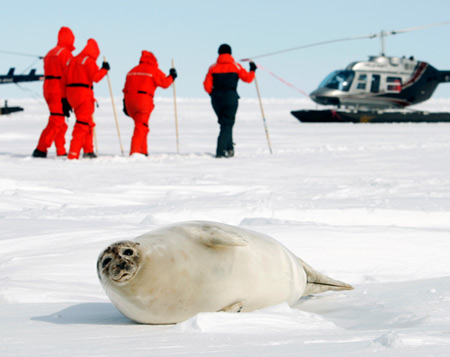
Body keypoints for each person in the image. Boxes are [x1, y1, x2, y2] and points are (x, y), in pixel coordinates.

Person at [203, 44, 256, 158]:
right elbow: (248, 79)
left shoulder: (212, 67)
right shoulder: (236, 66)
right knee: (227, 123)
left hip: (216, 99)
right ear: (230, 53)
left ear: (219, 53)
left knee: (225, 123)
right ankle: (221, 151)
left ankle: (229, 149)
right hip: (230, 97)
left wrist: (213, 94)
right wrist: (252, 70)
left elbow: (206, 86)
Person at [122, 50, 177, 156]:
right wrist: (172, 76)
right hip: (143, 101)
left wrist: (124, 104)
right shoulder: (153, 70)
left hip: (129, 102)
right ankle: (135, 153)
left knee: (141, 125)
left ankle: (143, 151)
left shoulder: (132, 71)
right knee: (141, 126)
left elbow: (125, 89)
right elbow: (165, 83)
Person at [32, 27, 75, 158]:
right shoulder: (65, 53)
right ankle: (41, 148)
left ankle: (61, 150)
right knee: (56, 120)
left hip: (48, 88)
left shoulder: (50, 53)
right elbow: (69, 74)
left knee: (60, 120)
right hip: (58, 89)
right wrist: (68, 97)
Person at [65, 38, 109, 160]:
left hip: (71, 94)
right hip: (83, 94)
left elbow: (64, 79)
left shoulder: (71, 60)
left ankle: (88, 150)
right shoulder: (88, 61)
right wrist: (104, 70)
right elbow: (96, 77)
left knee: (87, 122)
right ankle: (73, 154)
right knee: (82, 124)